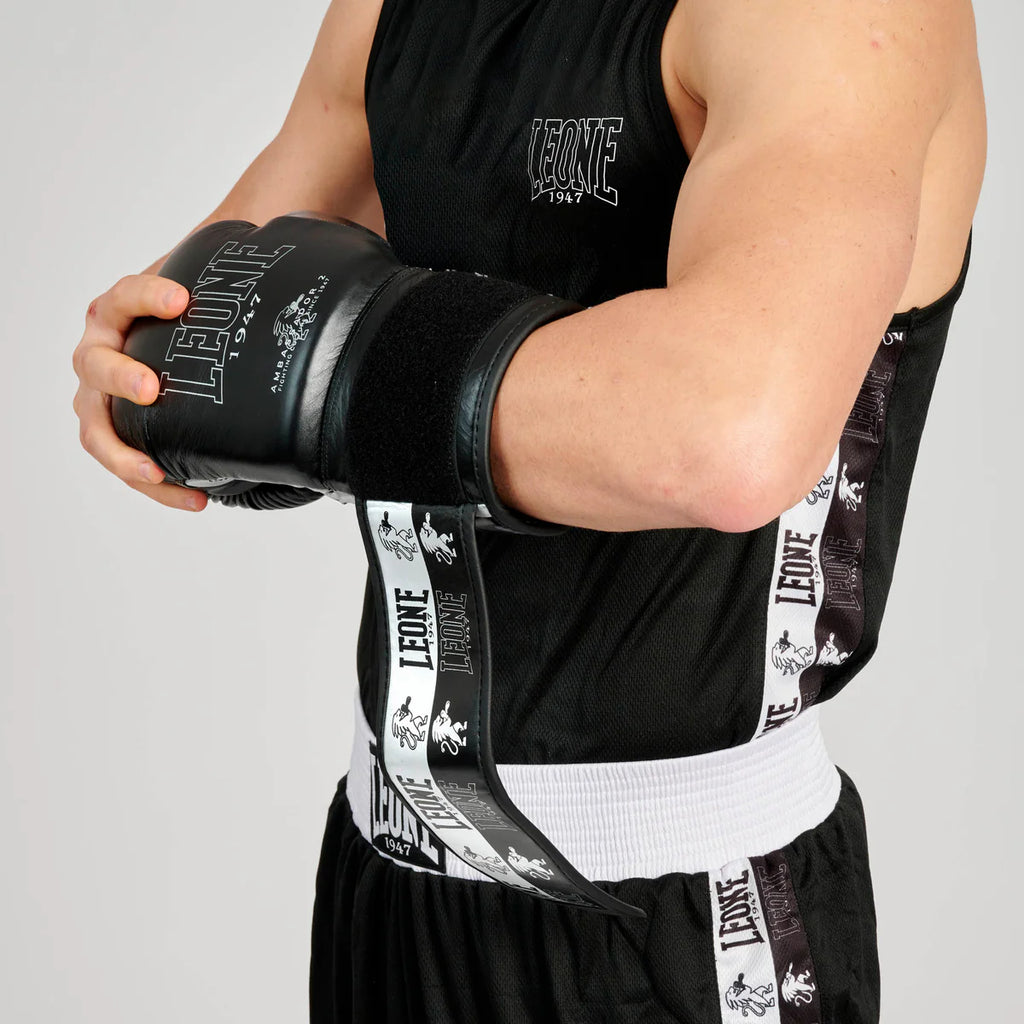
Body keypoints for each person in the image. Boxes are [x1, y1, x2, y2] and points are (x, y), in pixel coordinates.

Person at [71, 0, 986, 1021]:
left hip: (681, 918)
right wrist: (158, 368)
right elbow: (190, 341)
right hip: (390, 875)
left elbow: (727, 434)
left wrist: (335, 378)